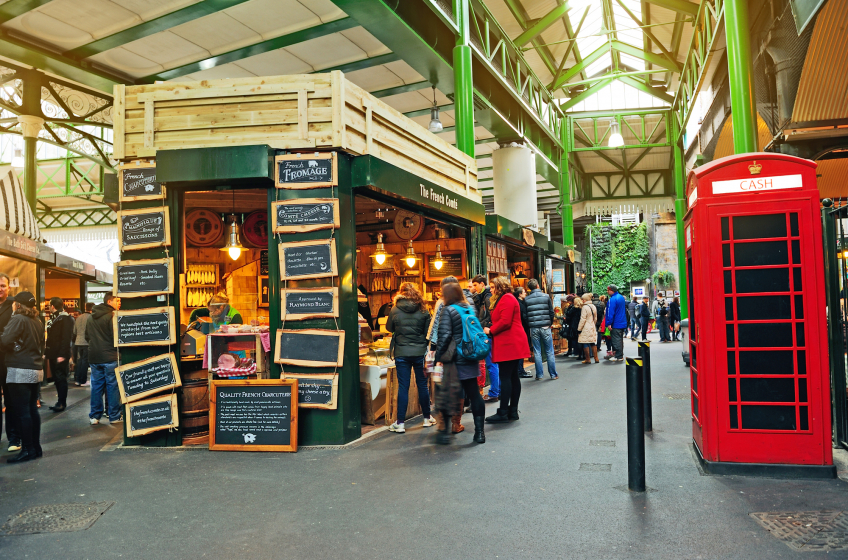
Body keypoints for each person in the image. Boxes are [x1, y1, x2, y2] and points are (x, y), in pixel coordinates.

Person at [434, 282, 485, 444]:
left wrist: (438, 358)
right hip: (470, 357)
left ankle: (446, 433)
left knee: (449, 395)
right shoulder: (470, 308)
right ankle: (479, 433)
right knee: (474, 394)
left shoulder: (447, 310)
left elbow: (444, 337)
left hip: (454, 360)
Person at [386, 282, 435, 434]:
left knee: (403, 387)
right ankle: (427, 418)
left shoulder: (394, 309)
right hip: (420, 352)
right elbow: (429, 332)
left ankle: (400, 423)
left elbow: (389, 328)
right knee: (422, 385)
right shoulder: (423, 310)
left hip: (401, 352)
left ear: (401, 293)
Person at [2, 292, 44, 463]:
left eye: (14, 304)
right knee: (32, 410)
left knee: (22, 412)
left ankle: (27, 449)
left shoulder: (18, 319)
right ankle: (35, 447)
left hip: (19, 369)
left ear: (18, 305)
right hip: (35, 368)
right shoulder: (37, 320)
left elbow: (5, 341)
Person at [427, 276, 471, 435]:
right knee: (458, 387)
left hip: (446, 352)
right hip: (464, 352)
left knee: (443, 385)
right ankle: (456, 423)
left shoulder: (442, 305)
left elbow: (438, 330)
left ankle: (444, 423)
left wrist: (434, 352)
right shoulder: (466, 304)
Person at [485, 276, 530, 423]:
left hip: (510, 342)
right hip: (511, 342)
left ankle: (504, 411)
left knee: (506, 377)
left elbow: (505, 321)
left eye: (492, 287)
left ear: (499, 287)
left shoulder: (507, 299)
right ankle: (512, 411)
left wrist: (490, 330)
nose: (490, 290)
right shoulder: (506, 298)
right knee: (512, 377)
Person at [87, 294, 122, 425]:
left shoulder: (91, 317)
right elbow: (116, 336)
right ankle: (114, 416)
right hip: (110, 356)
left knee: (96, 386)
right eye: (117, 301)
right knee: (112, 386)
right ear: (109, 301)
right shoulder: (112, 316)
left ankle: (94, 416)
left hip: (94, 356)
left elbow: (87, 336)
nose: (119, 303)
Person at [470, 275, 499, 403]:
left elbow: (490, 315)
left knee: (491, 364)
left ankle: (494, 392)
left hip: (487, 333)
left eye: (475, 285)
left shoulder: (487, 298)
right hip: (486, 332)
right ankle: (497, 390)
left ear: (482, 284)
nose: (474, 288)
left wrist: (485, 326)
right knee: (492, 364)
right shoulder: (482, 297)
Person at [0, 273, 20, 452]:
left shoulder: (14, 305)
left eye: (3, 285)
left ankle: (14, 438)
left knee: (11, 401)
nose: (0, 289)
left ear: (8, 287)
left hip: (9, 360)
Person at [525, 279, 559, 380]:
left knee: (537, 351)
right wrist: (550, 323)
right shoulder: (546, 296)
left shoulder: (527, 299)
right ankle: (553, 374)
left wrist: (530, 324)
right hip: (545, 326)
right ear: (538, 286)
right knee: (549, 351)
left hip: (534, 327)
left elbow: (526, 314)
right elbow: (551, 312)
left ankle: (539, 375)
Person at [45, 297, 74, 412]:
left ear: (52, 306)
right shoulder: (56, 318)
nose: (48, 308)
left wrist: (62, 354)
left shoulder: (65, 318)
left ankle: (62, 402)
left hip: (60, 354)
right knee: (57, 378)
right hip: (54, 353)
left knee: (60, 378)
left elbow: (66, 338)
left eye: (49, 306)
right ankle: (60, 401)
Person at [604, 285, 628, 362]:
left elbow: (610, 312)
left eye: (608, 290)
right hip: (621, 322)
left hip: (615, 323)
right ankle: (619, 355)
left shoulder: (612, 299)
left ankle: (618, 356)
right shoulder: (621, 297)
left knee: (616, 340)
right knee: (619, 339)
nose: (607, 292)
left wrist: (609, 323)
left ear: (611, 290)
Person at [514, 287, 533, 379]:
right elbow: (524, 318)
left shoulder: (520, 303)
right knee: (521, 350)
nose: (525, 294)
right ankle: (520, 370)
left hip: (521, 329)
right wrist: (530, 324)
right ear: (520, 294)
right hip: (522, 329)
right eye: (524, 292)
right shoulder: (520, 304)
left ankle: (520, 369)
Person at [72, 302, 93, 387]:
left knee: (79, 361)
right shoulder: (91, 317)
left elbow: (74, 331)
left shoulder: (78, 318)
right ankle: (83, 380)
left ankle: (77, 380)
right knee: (85, 361)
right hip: (86, 342)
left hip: (78, 342)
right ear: (92, 309)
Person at [577, 293, 599, 364]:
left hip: (585, 326)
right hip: (592, 325)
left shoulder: (585, 307)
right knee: (593, 342)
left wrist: (579, 329)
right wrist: (593, 324)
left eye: (582, 299)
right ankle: (596, 358)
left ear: (585, 299)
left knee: (585, 342)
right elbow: (595, 318)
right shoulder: (593, 306)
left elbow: (583, 319)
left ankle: (588, 359)